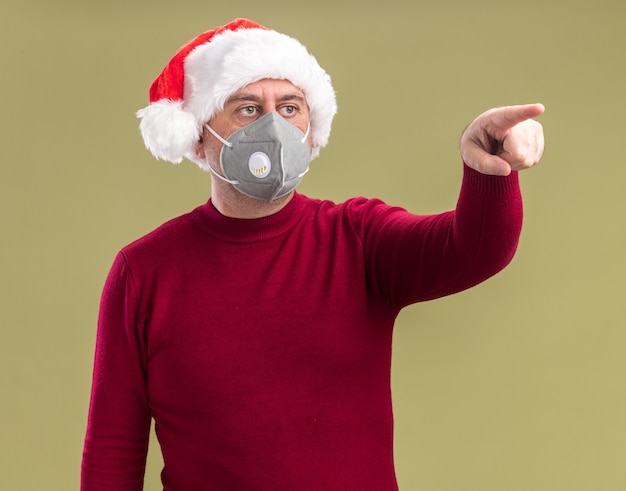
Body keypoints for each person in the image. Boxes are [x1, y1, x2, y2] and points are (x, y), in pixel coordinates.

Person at [81, 18, 544, 491]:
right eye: (246, 108)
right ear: (200, 134)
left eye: (289, 107)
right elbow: (113, 449)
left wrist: (488, 167)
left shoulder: (357, 238)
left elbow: (474, 249)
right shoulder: (144, 271)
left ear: (311, 126)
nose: (272, 125)